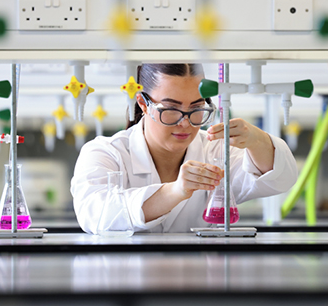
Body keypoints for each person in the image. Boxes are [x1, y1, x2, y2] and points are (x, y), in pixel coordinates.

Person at [71, 63, 298, 234]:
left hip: (199, 285)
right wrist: (175, 191)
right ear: (143, 103)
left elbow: (280, 179)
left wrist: (257, 141)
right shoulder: (106, 152)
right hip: (127, 289)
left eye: (196, 108)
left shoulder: (215, 151)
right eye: (171, 109)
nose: (185, 122)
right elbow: (94, 214)